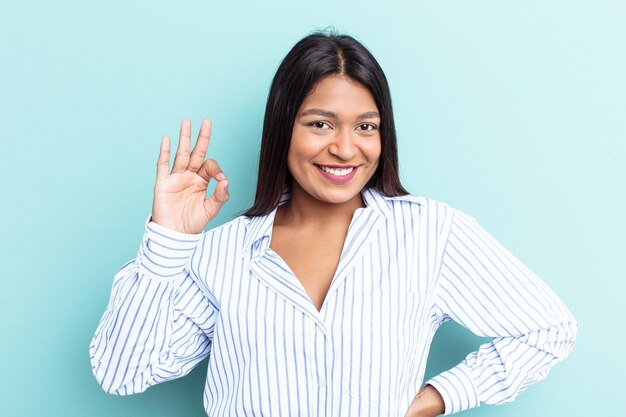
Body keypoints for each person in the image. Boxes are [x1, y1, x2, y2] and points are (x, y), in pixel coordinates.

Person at [90, 32, 578, 416]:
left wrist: (435, 398)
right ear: (284, 129)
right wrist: (168, 240)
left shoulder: (431, 234)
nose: (346, 149)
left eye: (366, 126)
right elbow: (121, 374)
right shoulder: (222, 253)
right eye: (320, 124)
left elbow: (548, 330)